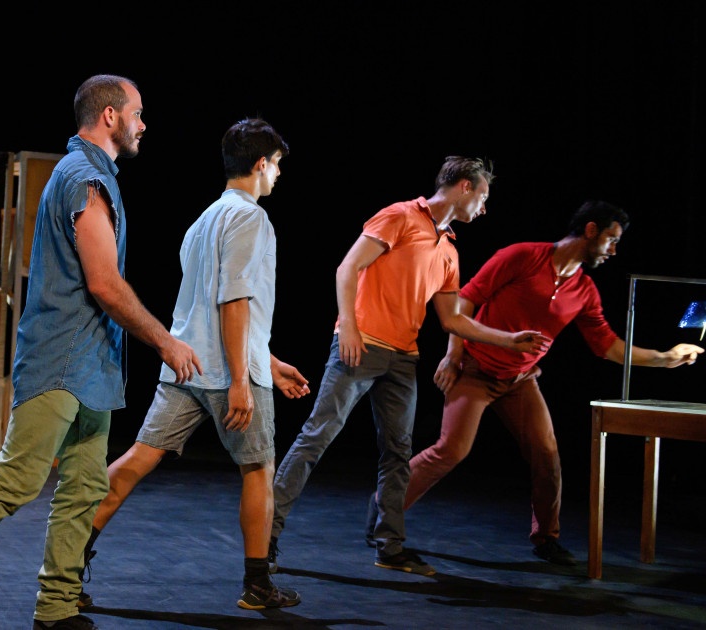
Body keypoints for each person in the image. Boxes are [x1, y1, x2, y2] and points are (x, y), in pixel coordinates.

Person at [0, 74, 201, 630]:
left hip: (93, 366)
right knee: (17, 479)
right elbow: (104, 284)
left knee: (84, 488)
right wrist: (164, 340)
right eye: (137, 113)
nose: (143, 124)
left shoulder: (93, 177)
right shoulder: (83, 178)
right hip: (62, 360)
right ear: (110, 116)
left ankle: (56, 610)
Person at [267, 156, 553, 577]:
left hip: (403, 358)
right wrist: (348, 326)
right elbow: (348, 267)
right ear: (465, 187)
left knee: (398, 453)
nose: (484, 208)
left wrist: (507, 339)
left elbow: (452, 320)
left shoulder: (450, 251)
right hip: (361, 346)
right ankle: (265, 536)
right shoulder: (400, 216)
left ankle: (389, 545)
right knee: (316, 437)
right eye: (483, 197)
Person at [79, 117, 310, 611]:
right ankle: (257, 585)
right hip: (229, 372)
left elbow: (207, 309)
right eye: (277, 165)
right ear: (261, 164)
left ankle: (67, 562)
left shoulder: (202, 222)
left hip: (186, 366)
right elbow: (233, 301)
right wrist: (243, 379)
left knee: (137, 459)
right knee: (258, 470)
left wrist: (268, 361)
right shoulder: (251, 218)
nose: (278, 174)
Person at [402, 200, 703, 565]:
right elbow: (464, 301)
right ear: (590, 230)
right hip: (476, 369)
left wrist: (665, 357)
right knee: (451, 450)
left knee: (547, 456)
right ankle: (385, 511)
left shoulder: (585, 290)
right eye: (611, 239)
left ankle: (546, 537)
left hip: (521, 380)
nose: (613, 250)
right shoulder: (523, 256)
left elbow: (608, 346)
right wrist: (453, 355)